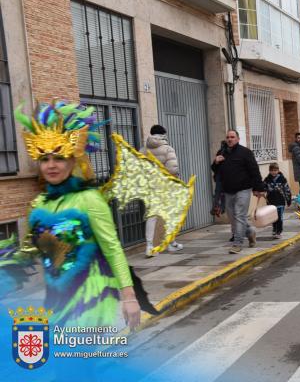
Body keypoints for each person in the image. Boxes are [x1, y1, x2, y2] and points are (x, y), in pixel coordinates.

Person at [1, 101, 141, 328]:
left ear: (73, 160)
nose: (51, 165)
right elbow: (28, 251)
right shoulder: (38, 205)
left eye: (59, 157)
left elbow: (112, 248)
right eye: (45, 159)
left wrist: (129, 296)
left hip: (90, 302)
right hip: (55, 302)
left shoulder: (89, 200)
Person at [212, 130, 265, 254]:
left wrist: (259, 188)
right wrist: (216, 162)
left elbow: (254, 170)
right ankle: (250, 232)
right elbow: (215, 170)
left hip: (243, 189)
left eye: (232, 137)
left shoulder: (245, 152)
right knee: (233, 218)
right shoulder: (222, 152)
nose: (230, 139)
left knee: (240, 215)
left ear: (238, 139)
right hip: (228, 190)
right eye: (228, 137)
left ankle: (237, 243)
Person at [143, 124, 183, 257]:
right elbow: (173, 169)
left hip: (150, 187)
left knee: (151, 216)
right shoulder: (167, 149)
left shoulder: (143, 150)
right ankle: (171, 243)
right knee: (170, 215)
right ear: (163, 134)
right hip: (166, 187)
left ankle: (149, 246)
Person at [264, 163, 292, 239]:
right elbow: (264, 188)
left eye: (275, 170)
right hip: (271, 201)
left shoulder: (282, 179)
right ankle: (274, 229)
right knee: (273, 217)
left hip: (280, 201)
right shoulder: (267, 179)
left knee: (279, 217)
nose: (273, 172)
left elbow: (287, 190)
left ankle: (279, 231)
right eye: (272, 170)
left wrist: (288, 199)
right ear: (269, 171)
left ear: (278, 170)